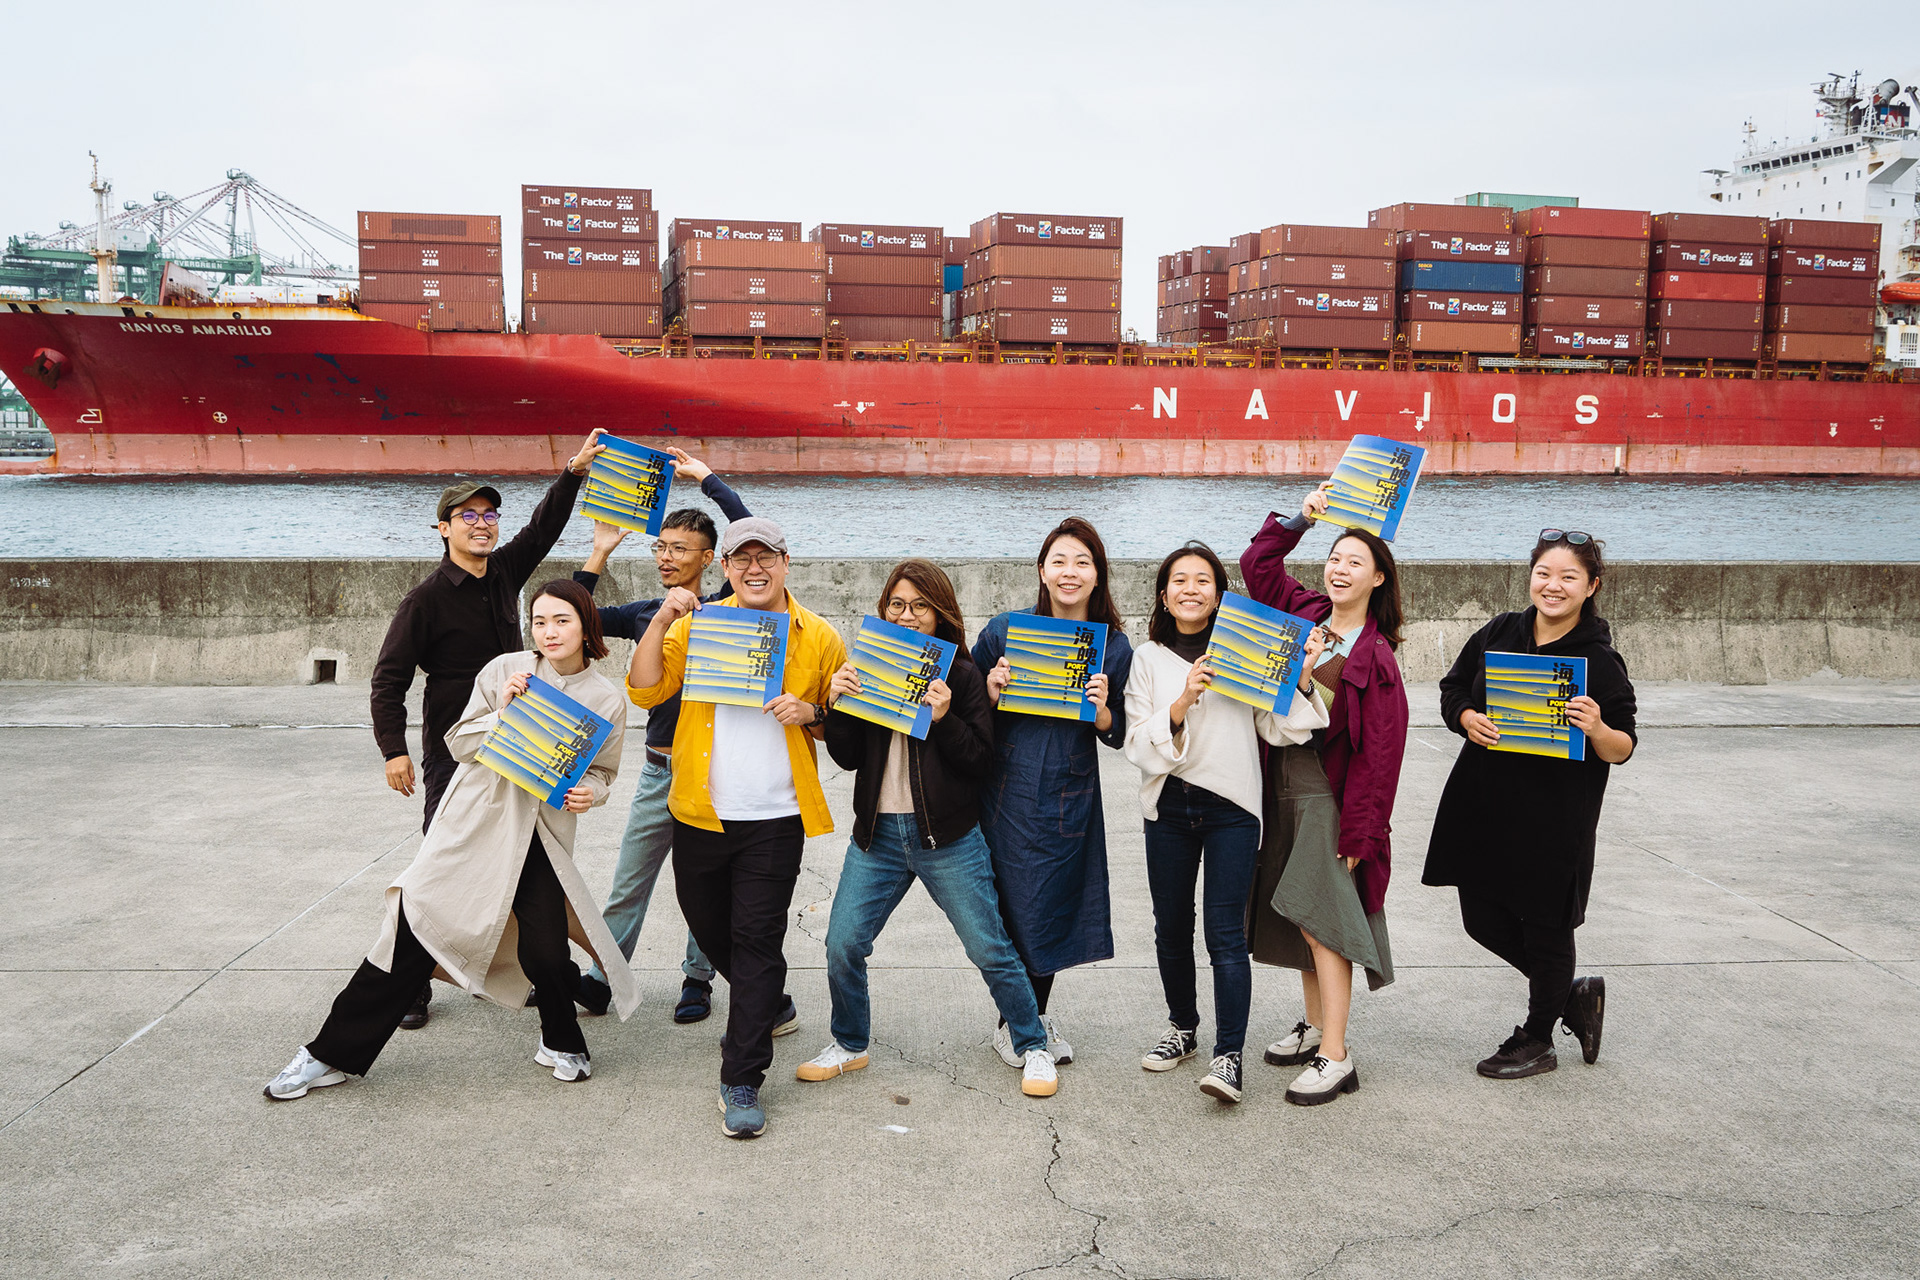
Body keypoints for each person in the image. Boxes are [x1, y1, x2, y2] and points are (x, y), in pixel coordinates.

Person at [265, 580, 633, 1100]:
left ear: (586, 625)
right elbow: (458, 742)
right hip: (473, 826)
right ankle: (327, 1054)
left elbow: (603, 772)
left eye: (562, 621)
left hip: (540, 835)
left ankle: (559, 1039)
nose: (549, 632)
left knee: (548, 952)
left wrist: (590, 794)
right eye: (539, 621)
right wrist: (504, 712)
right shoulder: (504, 670)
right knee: (413, 930)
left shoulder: (606, 698)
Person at [369, 430, 609, 1031]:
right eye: (468, 516)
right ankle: (411, 987)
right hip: (459, 749)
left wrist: (574, 473)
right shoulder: (424, 601)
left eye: (489, 515)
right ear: (443, 528)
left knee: (528, 865)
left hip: (524, 740)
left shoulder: (503, 573)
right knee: (439, 870)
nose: (482, 524)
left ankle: (552, 978)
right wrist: (394, 750)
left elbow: (542, 530)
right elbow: (389, 679)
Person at [804, 559, 1060, 1098]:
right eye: (897, 605)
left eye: (920, 605)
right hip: (877, 837)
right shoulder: (867, 666)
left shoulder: (961, 676)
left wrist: (945, 719)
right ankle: (850, 1043)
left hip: (949, 839)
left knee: (990, 948)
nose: (907, 615)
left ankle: (1032, 1044)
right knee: (842, 943)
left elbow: (980, 761)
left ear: (941, 613)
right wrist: (836, 702)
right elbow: (848, 757)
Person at [628, 517, 846, 1139]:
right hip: (700, 811)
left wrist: (812, 711)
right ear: (723, 567)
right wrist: (660, 620)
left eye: (766, 557)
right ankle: (767, 999)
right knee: (710, 927)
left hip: (776, 816)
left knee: (756, 940)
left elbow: (842, 727)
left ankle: (742, 1076)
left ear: (786, 562)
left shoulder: (819, 636)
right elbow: (644, 691)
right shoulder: (697, 626)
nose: (755, 568)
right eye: (742, 559)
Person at [567, 448, 792, 1032]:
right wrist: (599, 550)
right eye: (660, 547)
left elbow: (754, 539)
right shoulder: (648, 612)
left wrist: (708, 479)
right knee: (629, 880)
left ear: (710, 560)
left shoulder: (729, 608)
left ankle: (698, 978)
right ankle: (602, 977)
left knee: (708, 886)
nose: (666, 558)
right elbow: (572, 614)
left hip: (712, 771)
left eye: (679, 549)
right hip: (658, 768)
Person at [1422, 529, 1638, 1080]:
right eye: (1544, 573)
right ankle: (1570, 997)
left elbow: (1623, 747)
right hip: (1484, 803)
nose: (1553, 586)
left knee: (1546, 927)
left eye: (1569, 577)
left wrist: (1597, 728)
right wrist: (1466, 717)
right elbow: (1453, 687)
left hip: (1554, 817)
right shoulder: (1501, 631)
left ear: (1592, 586)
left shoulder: (1598, 659)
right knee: (1480, 918)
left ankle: (1538, 1037)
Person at [1123, 542, 1329, 1104]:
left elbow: (1278, 728)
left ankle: (1228, 1056)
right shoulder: (1147, 658)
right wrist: (1182, 701)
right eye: (1179, 580)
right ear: (1163, 594)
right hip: (1168, 806)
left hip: (1232, 808)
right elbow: (1137, 743)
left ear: (1218, 595)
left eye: (1203, 580)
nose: (1190, 589)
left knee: (1224, 934)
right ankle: (1183, 1028)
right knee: (1171, 926)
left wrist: (1301, 679)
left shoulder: (1244, 649)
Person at [1239, 482, 1409, 1106]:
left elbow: (1380, 757)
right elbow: (1257, 564)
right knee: (1298, 913)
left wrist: (1362, 832)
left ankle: (1336, 1056)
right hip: (1282, 782)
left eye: (1354, 562)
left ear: (1378, 579)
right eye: (1335, 558)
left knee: (1323, 924)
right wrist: (1302, 518)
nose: (1339, 569)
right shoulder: (1305, 614)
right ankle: (1315, 1026)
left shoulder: (1376, 657)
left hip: (1327, 798)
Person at [973, 516, 1133, 1069]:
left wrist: (1103, 709)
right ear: (1041, 571)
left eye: (1082, 563)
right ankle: (1020, 1023)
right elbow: (962, 709)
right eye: (1059, 561)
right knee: (1009, 909)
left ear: (1098, 575)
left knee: (1052, 908)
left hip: (1069, 793)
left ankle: (1028, 1019)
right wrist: (990, 690)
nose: (1070, 572)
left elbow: (1119, 732)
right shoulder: (1005, 631)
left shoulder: (1113, 647)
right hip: (1007, 790)